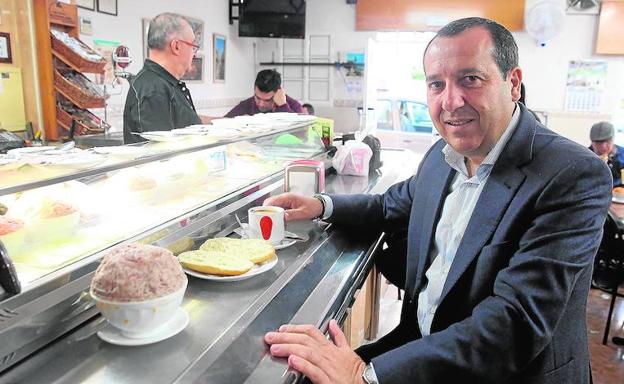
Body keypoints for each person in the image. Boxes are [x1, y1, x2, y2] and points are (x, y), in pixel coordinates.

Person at [263, 17, 612, 383]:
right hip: (422, 348)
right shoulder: (441, 157)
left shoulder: (572, 175)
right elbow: (389, 205)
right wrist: (320, 205)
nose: (451, 101)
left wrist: (365, 377)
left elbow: (517, 322)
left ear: (513, 83)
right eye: (436, 84)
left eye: (470, 79)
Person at [123, 13, 210, 144]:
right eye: (193, 46)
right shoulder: (152, 89)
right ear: (176, 46)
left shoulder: (165, 84)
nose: (194, 53)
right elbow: (159, 152)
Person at [224, 69, 303, 117]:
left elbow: (301, 134)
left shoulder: (294, 106)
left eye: (267, 100)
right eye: (257, 98)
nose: (261, 104)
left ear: (278, 92)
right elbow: (225, 121)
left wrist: (283, 106)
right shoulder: (247, 105)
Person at [588, 121, 624, 186]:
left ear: (613, 139)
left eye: (607, 142)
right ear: (592, 142)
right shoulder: (584, 157)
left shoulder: (622, 155)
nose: (603, 147)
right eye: (598, 143)